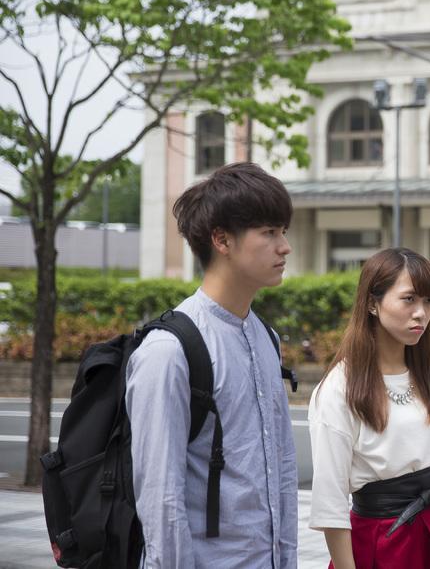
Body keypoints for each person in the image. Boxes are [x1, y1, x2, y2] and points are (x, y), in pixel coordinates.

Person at [125, 162, 298, 567]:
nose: (284, 246)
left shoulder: (266, 339)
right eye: (269, 232)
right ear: (221, 239)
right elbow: (160, 498)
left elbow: (283, 470)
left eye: (283, 232)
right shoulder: (169, 351)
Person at [308, 247, 430, 569]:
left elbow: (422, 451)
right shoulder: (339, 389)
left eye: (428, 301)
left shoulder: (424, 378)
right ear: (372, 303)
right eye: (409, 299)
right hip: (385, 541)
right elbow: (330, 503)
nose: (421, 313)